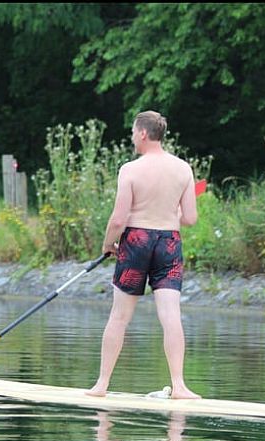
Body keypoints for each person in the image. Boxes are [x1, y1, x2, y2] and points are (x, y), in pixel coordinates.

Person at [86, 110, 200, 399]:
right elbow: (190, 219)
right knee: (171, 315)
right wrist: (168, 211)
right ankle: (180, 386)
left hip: (136, 241)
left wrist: (107, 245)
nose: (132, 138)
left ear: (143, 134)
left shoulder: (130, 169)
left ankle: (101, 385)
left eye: (133, 133)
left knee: (120, 316)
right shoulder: (183, 169)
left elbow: (118, 219)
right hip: (169, 244)